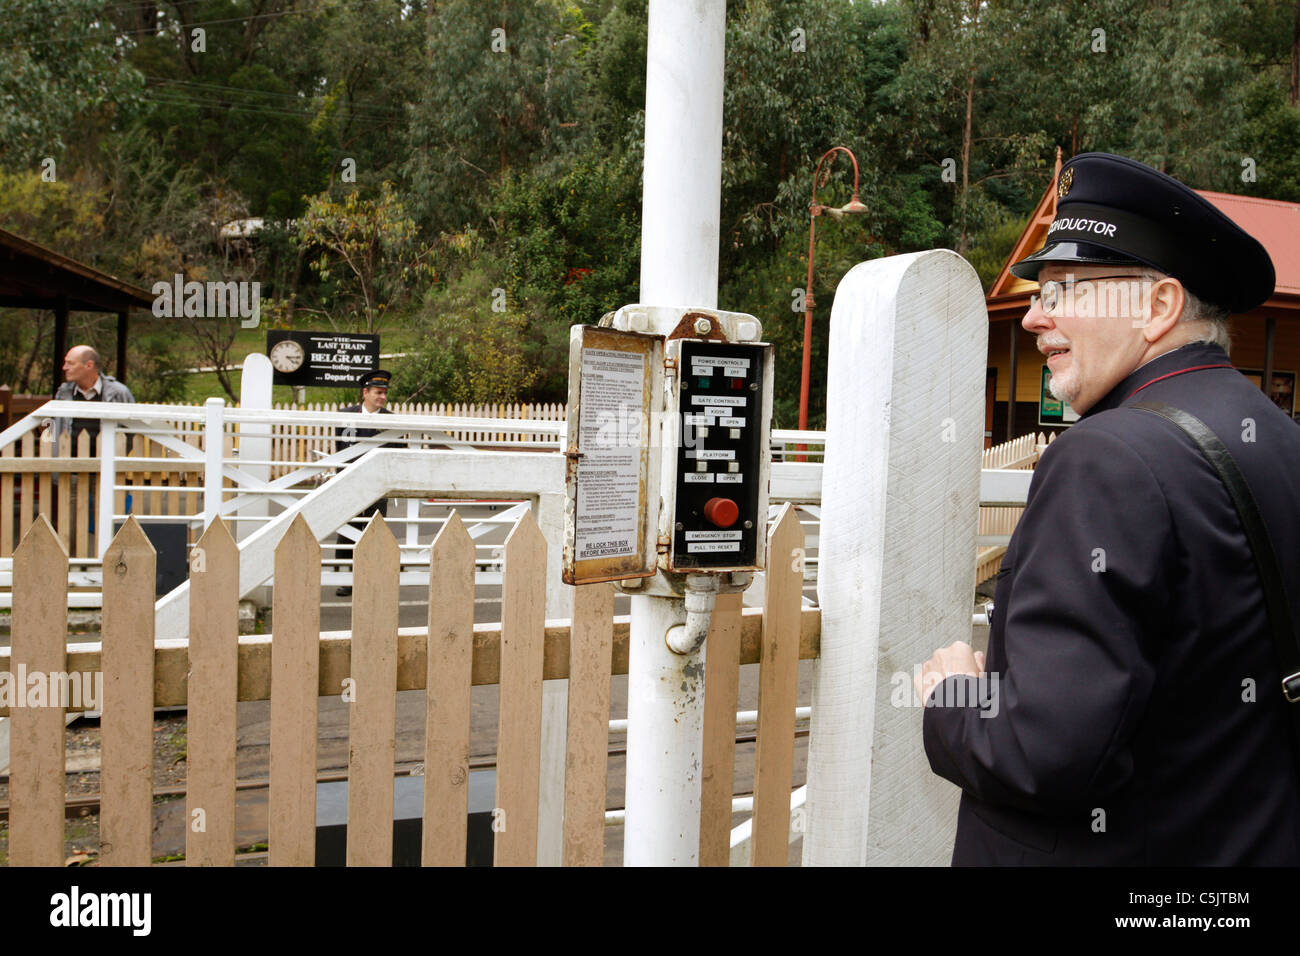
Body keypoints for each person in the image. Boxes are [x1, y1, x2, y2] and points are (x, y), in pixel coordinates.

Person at [917, 152, 1300, 865]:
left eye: (1065, 291)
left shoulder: (1108, 457)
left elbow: (1046, 753)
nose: (1034, 316)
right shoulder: (1278, 438)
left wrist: (954, 700)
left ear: (1159, 308)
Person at [333, 369, 400, 597]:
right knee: (347, 531)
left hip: (377, 486)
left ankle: (373, 579)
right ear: (365, 392)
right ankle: (346, 580)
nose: (382, 397)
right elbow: (339, 449)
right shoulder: (346, 415)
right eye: (378, 392)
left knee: (374, 531)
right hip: (349, 484)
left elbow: (398, 452)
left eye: (384, 393)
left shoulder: (391, 420)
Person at [50, 345, 136, 454]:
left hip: (106, 467)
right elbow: (54, 430)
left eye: (70, 363)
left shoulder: (118, 393)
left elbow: (132, 431)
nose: (64, 367)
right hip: (67, 467)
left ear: (89, 365)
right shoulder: (63, 393)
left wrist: (116, 457)